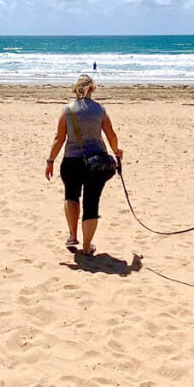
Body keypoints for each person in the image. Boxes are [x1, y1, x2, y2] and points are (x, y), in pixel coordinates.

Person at [45, 74, 122, 256]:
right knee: (91, 202)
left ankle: (72, 236)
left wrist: (50, 161)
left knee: (71, 196)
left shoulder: (67, 110)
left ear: (76, 89)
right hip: (96, 162)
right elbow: (111, 134)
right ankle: (87, 247)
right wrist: (116, 150)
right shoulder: (100, 110)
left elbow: (59, 138)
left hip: (72, 160)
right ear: (92, 89)